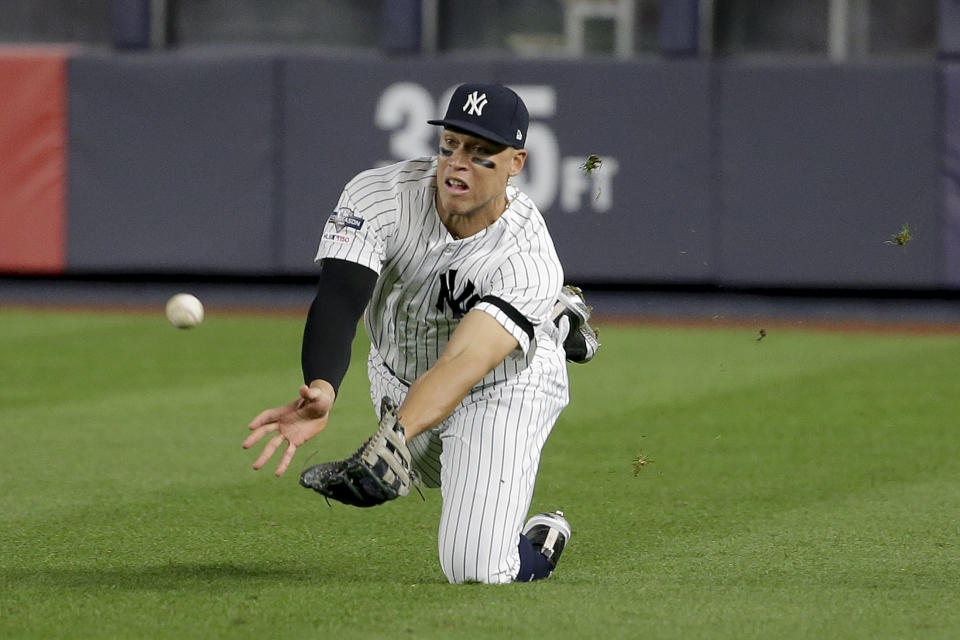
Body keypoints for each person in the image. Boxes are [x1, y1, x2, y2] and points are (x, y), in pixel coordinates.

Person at [242, 83, 598, 584]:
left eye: (480, 154)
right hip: (396, 374)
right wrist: (322, 386)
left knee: (475, 567)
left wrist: (397, 435)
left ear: (516, 162)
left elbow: (460, 366)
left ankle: (540, 536)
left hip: (502, 384)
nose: (457, 163)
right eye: (450, 145)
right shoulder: (379, 195)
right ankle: (555, 316)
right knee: (434, 473)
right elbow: (341, 298)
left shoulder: (527, 257)